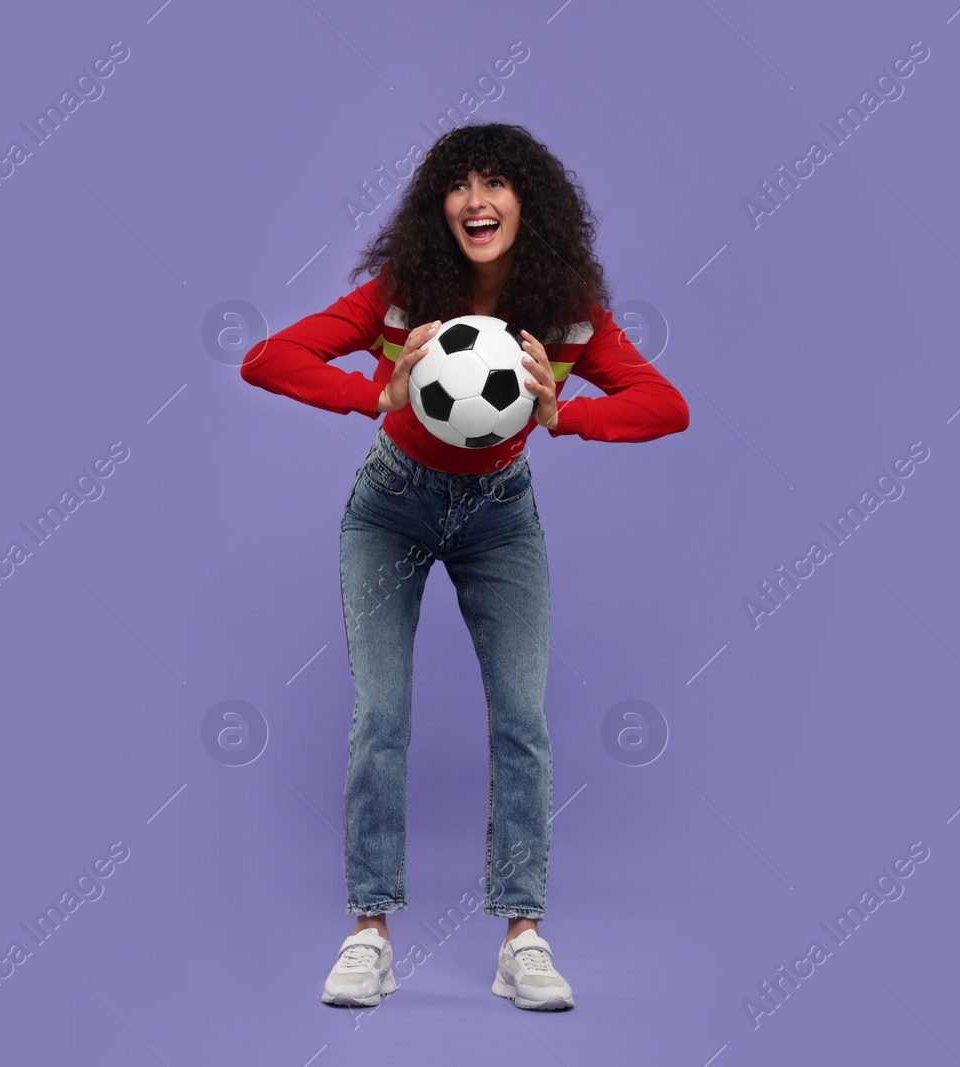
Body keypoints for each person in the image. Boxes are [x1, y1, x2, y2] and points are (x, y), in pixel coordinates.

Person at [239, 122, 689, 1011]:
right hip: (391, 507)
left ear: (531, 202)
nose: (476, 200)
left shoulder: (567, 311)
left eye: (497, 183)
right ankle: (369, 930)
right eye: (458, 184)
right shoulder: (403, 296)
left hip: (499, 518)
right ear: (437, 206)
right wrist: (379, 390)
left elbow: (664, 405)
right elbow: (266, 357)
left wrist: (566, 416)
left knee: (523, 718)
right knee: (383, 716)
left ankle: (521, 936)